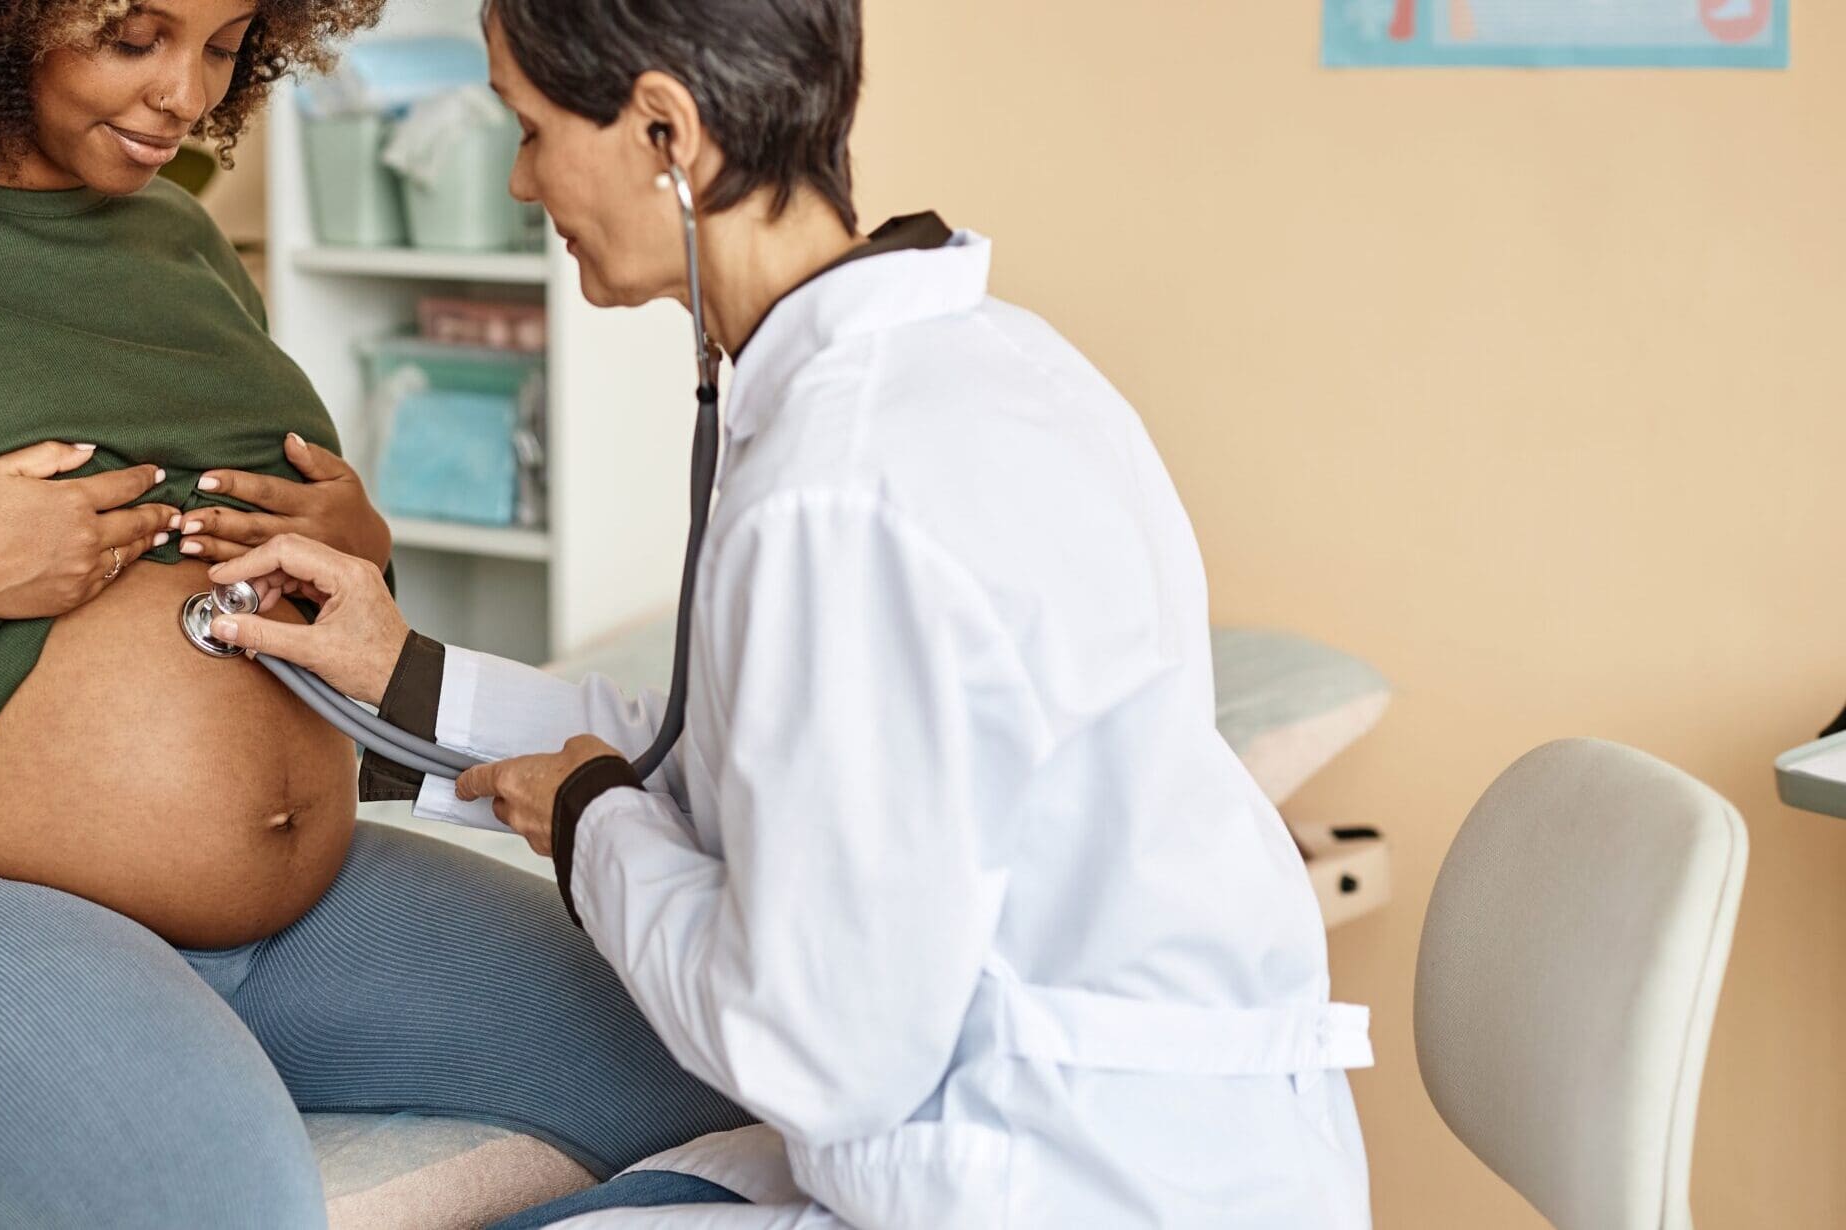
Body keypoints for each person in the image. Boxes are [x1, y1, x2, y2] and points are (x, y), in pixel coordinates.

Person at [0, 2, 747, 1225]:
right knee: (224, 1205)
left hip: (302, 918)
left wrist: (357, 550)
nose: (186, 95)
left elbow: (262, 582)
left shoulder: (179, 240)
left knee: (734, 1073)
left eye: (223, 45)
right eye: (134, 37)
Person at [203, 0, 1375, 1224]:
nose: (518, 180)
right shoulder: (994, 362)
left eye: (532, 127)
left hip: (1063, 1175)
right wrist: (402, 675)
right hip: (1129, 1138)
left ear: (665, 131)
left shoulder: (838, 489)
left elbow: (817, 1049)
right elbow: (750, 762)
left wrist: (597, 825)